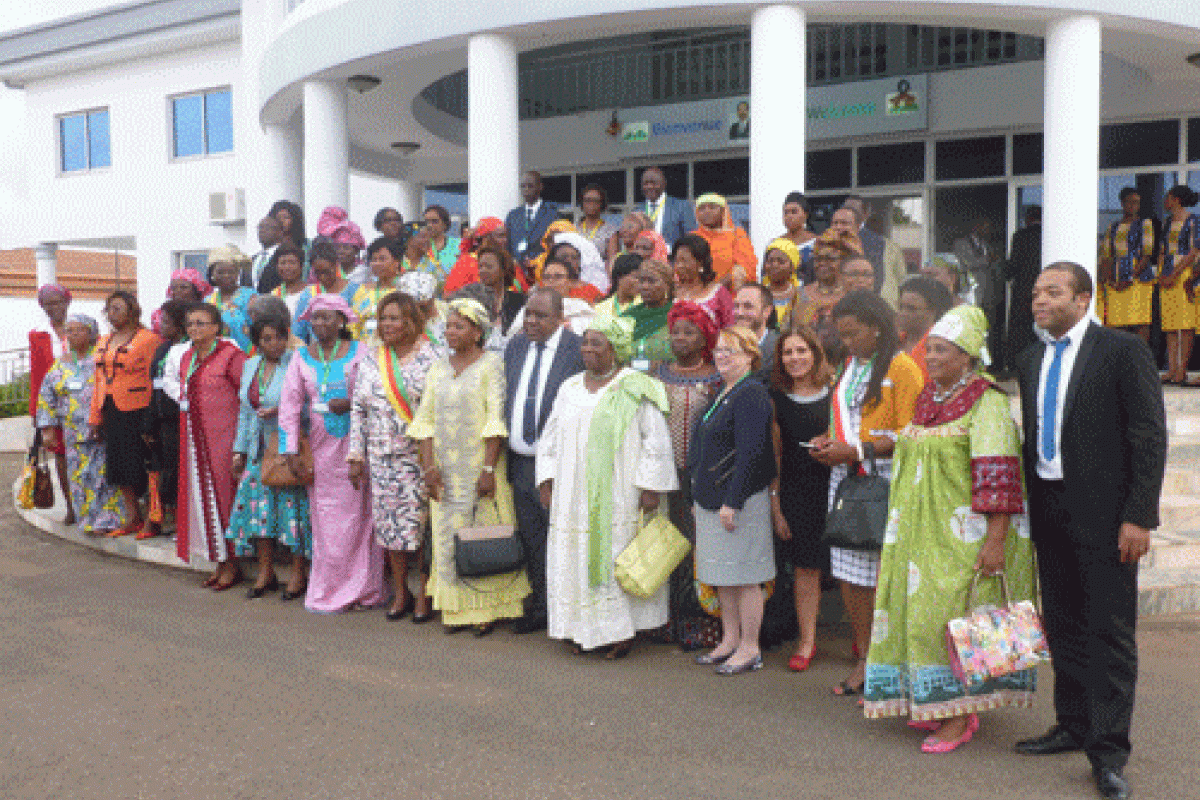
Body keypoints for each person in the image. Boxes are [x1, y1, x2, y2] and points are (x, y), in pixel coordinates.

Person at [1014, 262, 1166, 800]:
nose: (1039, 301)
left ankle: (1107, 754)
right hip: (1050, 512)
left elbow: (1148, 436)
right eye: (1035, 293)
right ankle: (1072, 724)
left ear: (1083, 299)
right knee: (1063, 624)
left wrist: (1139, 515)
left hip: (1108, 519)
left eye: (1052, 292)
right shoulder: (1030, 359)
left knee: (1109, 633)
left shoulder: (1122, 353)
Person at [865, 304, 1038, 753]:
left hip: (967, 538)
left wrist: (996, 541)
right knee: (922, 622)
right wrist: (859, 448)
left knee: (956, 623)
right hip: (921, 535)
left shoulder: (989, 403)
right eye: (931, 350)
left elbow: (999, 475)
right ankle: (938, 703)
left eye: (943, 351)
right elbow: (911, 442)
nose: (933, 358)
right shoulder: (930, 398)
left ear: (967, 356)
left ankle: (959, 715)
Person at [537, 315, 678, 657]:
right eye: (585, 342)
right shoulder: (569, 387)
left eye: (596, 343)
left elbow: (655, 440)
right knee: (574, 556)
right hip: (572, 495)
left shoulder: (637, 385)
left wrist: (651, 486)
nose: (587, 349)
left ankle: (620, 631)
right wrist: (546, 478)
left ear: (616, 350)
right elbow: (550, 437)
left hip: (621, 493)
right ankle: (576, 626)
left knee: (617, 556)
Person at [810, 290, 923, 696]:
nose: (847, 341)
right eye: (841, 334)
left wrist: (857, 448)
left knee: (882, 576)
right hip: (846, 476)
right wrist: (828, 441)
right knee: (849, 571)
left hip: (884, 479)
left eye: (853, 333)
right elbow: (847, 420)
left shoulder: (902, 366)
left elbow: (913, 434)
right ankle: (864, 656)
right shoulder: (849, 365)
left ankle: (888, 665)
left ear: (877, 328)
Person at [410, 298, 531, 634]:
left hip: (480, 468)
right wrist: (428, 468)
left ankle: (487, 608)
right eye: (448, 325)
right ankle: (456, 607)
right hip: (445, 471)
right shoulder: (438, 368)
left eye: (458, 326)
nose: (450, 332)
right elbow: (425, 421)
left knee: (484, 535)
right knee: (449, 536)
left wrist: (489, 469)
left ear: (477, 332)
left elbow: (495, 417)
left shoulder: (491, 365)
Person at [279, 295, 387, 613]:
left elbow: (374, 392)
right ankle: (331, 587)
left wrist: (351, 401)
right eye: (316, 318)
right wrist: (290, 450)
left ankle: (366, 589)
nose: (321, 324)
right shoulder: (300, 357)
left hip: (357, 448)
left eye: (328, 318)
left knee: (362, 518)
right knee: (326, 521)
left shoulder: (361, 353)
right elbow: (289, 405)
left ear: (342, 321)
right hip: (320, 452)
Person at [687, 326, 776, 674]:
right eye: (720, 350)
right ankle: (729, 640)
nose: (722, 356)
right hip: (713, 499)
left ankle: (750, 647)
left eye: (732, 351)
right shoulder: (725, 391)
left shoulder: (751, 393)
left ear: (751, 357)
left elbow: (752, 453)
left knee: (746, 576)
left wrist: (733, 501)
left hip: (738, 501)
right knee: (722, 575)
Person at [349, 291, 440, 622]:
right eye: (382, 318)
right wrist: (356, 454)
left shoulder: (432, 357)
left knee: (421, 531)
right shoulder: (373, 358)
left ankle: (425, 592)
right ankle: (401, 591)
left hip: (418, 458)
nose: (386, 325)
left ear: (411, 321)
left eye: (394, 318)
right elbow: (358, 409)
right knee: (390, 531)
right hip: (381, 458)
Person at [503, 288, 585, 634]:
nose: (531, 322)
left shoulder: (576, 349)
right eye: (528, 315)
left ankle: (567, 610)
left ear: (559, 319)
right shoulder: (516, 346)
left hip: (560, 464)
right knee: (533, 536)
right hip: (521, 462)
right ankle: (540, 606)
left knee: (562, 537)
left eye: (540, 316)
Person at [226, 303, 312, 600]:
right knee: (257, 513)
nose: (271, 344)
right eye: (265, 339)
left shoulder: (298, 361)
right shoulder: (251, 365)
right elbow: (245, 412)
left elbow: (310, 407)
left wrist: (283, 410)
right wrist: (238, 450)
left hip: (287, 449)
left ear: (286, 336)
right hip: (257, 449)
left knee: (293, 513)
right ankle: (266, 572)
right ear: (257, 341)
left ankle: (298, 573)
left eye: (277, 337)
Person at [653, 302, 722, 649]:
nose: (680, 338)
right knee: (668, 544)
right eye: (675, 331)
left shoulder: (715, 377)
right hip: (666, 476)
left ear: (704, 336)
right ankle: (668, 618)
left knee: (699, 546)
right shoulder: (658, 373)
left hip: (700, 476)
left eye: (688, 332)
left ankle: (703, 620)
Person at [768, 324, 832, 672]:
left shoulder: (836, 391)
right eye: (788, 352)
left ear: (815, 352)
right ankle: (807, 641)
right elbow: (776, 457)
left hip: (837, 487)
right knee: (806, 568)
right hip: (797, 491)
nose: (795, 358)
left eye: (801, 351)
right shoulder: (777, 399)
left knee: (854, 570)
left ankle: (865, 641)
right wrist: (776, 507)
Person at [174, 302, 247, 589]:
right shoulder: (187, 357)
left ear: (216, 327)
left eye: (201, 323)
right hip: (195, 441)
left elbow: (247, 398)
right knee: (204, 501)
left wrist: (242, 444)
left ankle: (234, 563)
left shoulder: (232, 356)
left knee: (225, 499)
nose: (194, 328)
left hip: (224, 440)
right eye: (190, 323)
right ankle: (219, 561)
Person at [36, 313, 128, 535]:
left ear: (91, 332)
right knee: (79, 478)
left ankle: (109, 521)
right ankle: (87, 521)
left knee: (105, 477)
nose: (73, 334)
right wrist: (47, 429)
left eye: (79, 330)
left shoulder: (101, 358)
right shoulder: (61, 364)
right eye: (69, 330)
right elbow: (46, 396)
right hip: (73, 433)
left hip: (103, 429)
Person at [89, 291, 161, 538]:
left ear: (132, 310)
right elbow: (98, 379)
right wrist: (95, 417)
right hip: (110, 408)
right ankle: (132, 517)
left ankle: (154, 518)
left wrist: (154, 415)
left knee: (145, 463)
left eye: (118, 308)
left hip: (139, 408)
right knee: (119, 465)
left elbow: (155, 379)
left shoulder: (148, 339)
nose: (112, 314)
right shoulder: (103, 339)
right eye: (109, 309)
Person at [142, 300, 189, 539]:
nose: (161, 325)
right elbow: (154, 386)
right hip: (161, 419)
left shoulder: (190, 348)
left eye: (167, 321)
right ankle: (164, 518)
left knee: (181, 471)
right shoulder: (162, 349)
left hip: (181, 417)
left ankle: (185, 524)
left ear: (180, 325)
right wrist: (149, 422)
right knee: (165, 470)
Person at [28, 283, 73, 523]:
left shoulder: (82, 326)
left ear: (68, 302)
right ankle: (71, 507)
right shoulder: (38, 333)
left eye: (57, 302)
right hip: (53, 403)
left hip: (81, 401)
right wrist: (36, 410)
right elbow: (36, 373)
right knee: (61, 456)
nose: (53, 307)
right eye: (48, 304)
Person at [1096, 189, 1156, 344]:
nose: (1133, 206)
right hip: (1115, 280)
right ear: (1122, 203)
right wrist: (1108, 279)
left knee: (1139, 322)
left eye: (1137, 202)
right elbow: (1107, 255)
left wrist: (1129, 278)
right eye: (1130, 202)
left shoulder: (1145, 224)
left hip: (1138, 280)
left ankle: (1140, 360)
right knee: (1116, 323)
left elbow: (1146, 253)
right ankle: (1120, 362)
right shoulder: (1113, 227)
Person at [1158, 185, 1199, 385]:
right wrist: (1162, 274)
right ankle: (1171, 369)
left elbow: (1192, 253)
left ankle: (1182, 369)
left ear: (1176, 199)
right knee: (1170, 325)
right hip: (1167, 276)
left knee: (1186, 324)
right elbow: (1162, 250)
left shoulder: (1194, 221)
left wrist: (1175, 274)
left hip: (1184, 276)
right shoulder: (1166, 222)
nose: (1165, 201)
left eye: (1168, 197)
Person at [453, 245, 526, 352]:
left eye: (489, 266)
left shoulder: (520, 301)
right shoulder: (470, 300)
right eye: (480, 266)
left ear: (504, 269)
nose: (483, 270)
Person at [955, 218, 1005, 372]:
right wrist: (987, 260)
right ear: (976, 226)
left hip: (990, 294)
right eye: (985, 226)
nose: (988, 230)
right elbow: (967, 263)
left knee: (988, 330)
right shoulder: (961, 243)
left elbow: (997, 266)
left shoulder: (987, 245)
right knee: (973, 328)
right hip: (972, 293)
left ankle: (989, 364)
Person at [842, 195, 907, 307]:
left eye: (854, 211)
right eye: (846, 209)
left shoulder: (889, 246)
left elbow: (901, 278)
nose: (849, 214)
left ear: (866, 214)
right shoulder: (829, 242)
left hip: (882, 307)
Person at [293, 240, 361, 343]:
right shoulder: (308, 294)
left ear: (336, 265)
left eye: (326, 272)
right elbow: (298, 333)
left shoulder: (355, 291)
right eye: (317, 273)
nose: (322, 277)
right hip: (317, 354)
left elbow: (359, 327)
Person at [896, 275, 956, 379]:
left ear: (931, 311)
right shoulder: (893, 342)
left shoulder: (942, 348)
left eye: (911, 309)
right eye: (901, 307)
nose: (903, 313)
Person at [692, 193, 757, 287]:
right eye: (702, 208)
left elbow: (746, 268)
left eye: (712, 207)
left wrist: (716, 288)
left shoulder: (737, 235)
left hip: (730, 295)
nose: (707, 211)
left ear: (723, 211)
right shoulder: (692, 237)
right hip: (698, 294)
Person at [1005, 205, 1042, 368]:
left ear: (1028, 219)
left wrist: (1003, 271)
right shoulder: (1049, 235)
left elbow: (1014, 265)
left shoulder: (1021, 235)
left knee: (1020, 330)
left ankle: (1016, 365)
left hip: (1023, 290)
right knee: (1041, 326)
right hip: (1043, 290)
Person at [623, 258, 676, 370]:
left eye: (651, 281)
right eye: (641, 281)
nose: (645, 286)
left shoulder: (678, 315)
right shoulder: (627, 316)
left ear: (667, 285)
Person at [673, 234, 734, 329]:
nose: (680, 266)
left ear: (700, 262)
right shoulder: (673, 293)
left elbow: (730, 328)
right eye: (677, 261)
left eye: (684, 261)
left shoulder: (719, 293)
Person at [351, 237, 405, 342]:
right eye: (374, 260)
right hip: (364, 349)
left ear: (396, 262)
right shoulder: (363, 290)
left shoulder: (404, 290)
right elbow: (353, 324)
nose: (376, 264)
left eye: (382, 259)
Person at [506, 170, 561, 272]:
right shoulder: (512, 215)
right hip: (518, 274)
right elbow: (508, 246)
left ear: (540, 187)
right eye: (523, 186)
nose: (526, 190)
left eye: (530, 186)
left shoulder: (552, 213)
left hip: (543, 271)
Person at [204, 245, 256, 352]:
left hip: (246, 356)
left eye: (231, 272)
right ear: (212, 274)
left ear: (238, 273)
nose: (226, 276)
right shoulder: (208, 301)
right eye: (220, 272)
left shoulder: (250, 296)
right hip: (216, 358)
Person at [443, 216, 508, 297]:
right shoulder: (466, 263)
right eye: (500, 236)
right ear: (485, 238)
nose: (505, 240)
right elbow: (448, 296)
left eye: (506, 236)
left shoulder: (507, 261)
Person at [639, 167, 696, 247]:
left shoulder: (682, 207)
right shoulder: (637, 211)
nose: (649, 187)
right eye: (645, 184)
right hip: (643, 257)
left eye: (654, 183)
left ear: (664, 184)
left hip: (671, 257)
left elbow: (691, 238)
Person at [733, 282, 777, 380]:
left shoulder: (780, 348)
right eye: (736, 306)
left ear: (767, 311)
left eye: (748, 306)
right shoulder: (726, 345)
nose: (739, 313)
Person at [761, 238, 805, 330]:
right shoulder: (758, 293)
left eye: (781, 262)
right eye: (770, 261)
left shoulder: (802, 294)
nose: (774, 265)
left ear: (792, 267)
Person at [266, 242, 309, 319]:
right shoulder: (274, 295)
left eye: (292, 263)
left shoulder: (314, 292)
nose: (287, 267)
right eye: (283, 263)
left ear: (301, 266)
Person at [781, 192, 817, 283]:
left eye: (794, 212)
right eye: (786, 213)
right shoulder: (775, 245)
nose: (789, 216)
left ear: (805, 215)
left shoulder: (817, 243)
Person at [576, 183, 618, 258]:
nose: (591, 204)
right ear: (582, 203)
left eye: (596, 200)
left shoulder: (610, 231)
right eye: (588, 200)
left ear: (602, 204)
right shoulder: (574, 229)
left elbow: (612, 260)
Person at [594, 253, 643, 318]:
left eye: (642, 278)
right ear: (619, 277)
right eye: (635, 277)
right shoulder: (600, 309)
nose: (639, 282)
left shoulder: (646, 305)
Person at [422, 204, 462, 280]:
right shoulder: (419, 246)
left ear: (445, 224)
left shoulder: (458, 244)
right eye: (426, 222)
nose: (429, 225)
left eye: (435, 221)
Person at [250, 215, 284, 291]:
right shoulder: (252, 259)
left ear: (280, 232)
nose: (262, 230)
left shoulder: (284, 256)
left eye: (267, 227)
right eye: (260, 227)